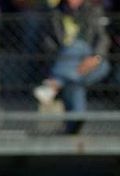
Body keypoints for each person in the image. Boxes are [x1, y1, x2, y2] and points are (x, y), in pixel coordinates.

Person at [33, 0, 110, 134]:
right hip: (65, 62)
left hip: (95, 62)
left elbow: (103, 38)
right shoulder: (55, 14)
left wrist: (96, 58)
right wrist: (65, 57)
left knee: (79, 45)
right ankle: (75, 123)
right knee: (73, 79)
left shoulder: (93, 11)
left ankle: (54, 84)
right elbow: (48, 44)